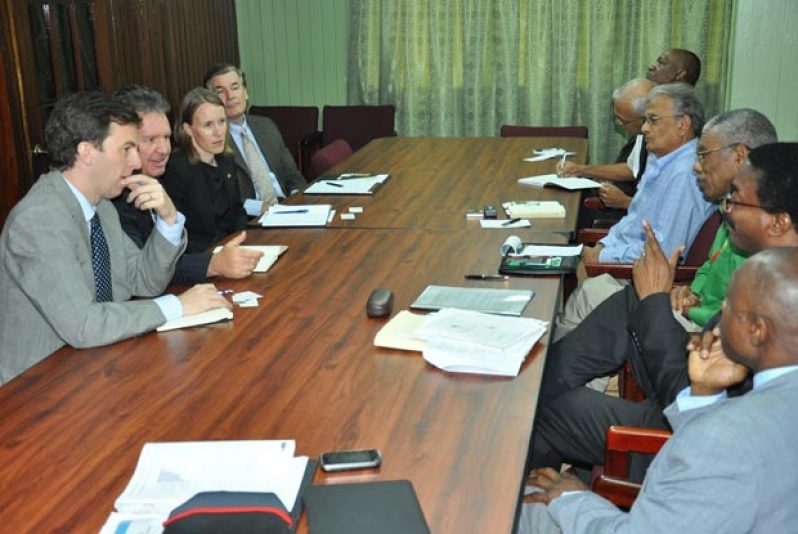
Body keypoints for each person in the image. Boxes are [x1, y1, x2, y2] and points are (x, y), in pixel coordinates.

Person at [530, 142, 798, 479]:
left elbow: (689, 393)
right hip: (679, 401)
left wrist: (657, 300)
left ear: (778, 223)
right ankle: (537, 385)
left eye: (735, 201)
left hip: (679, 440)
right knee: (631, 301)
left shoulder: (780, 304)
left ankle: (534, 454)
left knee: (539, 413)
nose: (726, 210)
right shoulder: (772, 272)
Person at [521, 247, 798, 534]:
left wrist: (572, 499)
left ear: (758, 331)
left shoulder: (725, 439)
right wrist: (703, 395)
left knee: (527, 505)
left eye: (730, 306)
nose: (719, 314)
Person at [0, 91, 230, 385]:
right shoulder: (38, 221)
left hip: (98, 367)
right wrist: (177, 306)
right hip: (38, 391)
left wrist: (169, 220)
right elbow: (84, 324)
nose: (136, 161)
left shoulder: (101, 208)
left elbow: (144, 281)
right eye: (127, 149)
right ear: (87, 152)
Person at [112, 85, 262, 283]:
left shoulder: (153, 180)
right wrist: (213, 264)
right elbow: (144, 273)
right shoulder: (115, 197)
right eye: (150, 139)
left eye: (166, 137)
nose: (164, 149)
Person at [203, 63, 306, 212]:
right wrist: (260, 208)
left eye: (235, 87)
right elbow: (221, 197)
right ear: (210, 101)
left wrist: (297, 200)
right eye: (220, 91)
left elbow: (293, 175)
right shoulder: (213, 140)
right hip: (250, 218)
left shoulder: (266, 126)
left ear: (246, 92)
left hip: (286, 207)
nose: (230, 96)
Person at [162, 88, 249, 255]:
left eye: (222, 121)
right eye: (208, 125)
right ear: (188, 129)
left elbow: (238, 212)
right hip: (201, 258)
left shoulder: (226, 160)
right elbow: (179, 233)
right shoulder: (177, 169)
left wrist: (241, 241)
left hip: (234, 248)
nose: (218, 132)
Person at [557, 78, 653, 222]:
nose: (618, 123)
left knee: (570, 214)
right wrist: (580, 170)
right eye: (616, 117)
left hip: (634, 219)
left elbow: (664, 213)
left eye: (624, 120)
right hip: (629, 209)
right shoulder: (641, 135)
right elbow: (632, 169)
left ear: (645, 119)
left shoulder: (671, 155)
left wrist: (626, 202)